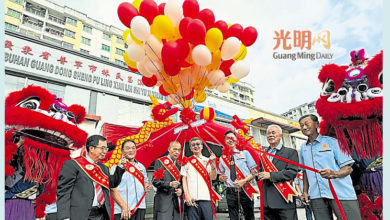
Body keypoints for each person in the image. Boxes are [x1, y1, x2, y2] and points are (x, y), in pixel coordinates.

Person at [299, 114, 362, 220]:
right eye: (301, 126)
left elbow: (349, 168)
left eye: (307, 124)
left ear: (316, 124)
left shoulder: (332, 143)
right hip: (316, 196)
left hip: (340, 193)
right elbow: (305, 172)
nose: (304, 127)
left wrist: (334, 174)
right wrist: (305, 192)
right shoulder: (303, 149)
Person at [56, 135, 126, 220]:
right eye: (102, 148)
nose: (105, 151)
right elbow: (64, 192)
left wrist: (120, 168)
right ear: (91, 148)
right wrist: (64, 217)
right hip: (82, 214)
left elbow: (112, 183)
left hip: (102, 213)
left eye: (106, 149)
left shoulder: (103, 168)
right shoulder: (73, 165)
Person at [254, 124, 299, 220]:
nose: (270, 135)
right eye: (268, 133)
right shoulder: (263, 154)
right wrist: (256, 174)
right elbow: (262, 174)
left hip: (284, 200)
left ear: (280, 136)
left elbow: (292, 172)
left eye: (273, 133)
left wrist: (270, 175)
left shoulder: (290, 152)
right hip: (267, 203)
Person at [218, 131, 258, 220]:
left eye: (232, 138)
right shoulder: (222, 158)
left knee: (249, 215)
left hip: (246, 188)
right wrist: (221, 178)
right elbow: (220, 176)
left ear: (236, 140)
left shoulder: (245, 153)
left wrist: (244, 180)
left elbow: (254, 172)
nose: (230, 140)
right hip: (230, 191)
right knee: (233, 217)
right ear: (225, 141)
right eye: (228, 138)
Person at [111, 139, 153, 220]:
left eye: (133, 148)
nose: (131, 150)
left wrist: (147, 186)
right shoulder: (116, 167)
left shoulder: (141, 167)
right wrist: (123, 205)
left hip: (140, 207)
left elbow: (145, 182)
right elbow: (112, 189)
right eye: (128, 148)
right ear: (122, 151)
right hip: (123, 209)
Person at [181, 137, 220, 220]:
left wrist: (213, 164)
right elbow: (184, 179)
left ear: (202, 146)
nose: (196, 146)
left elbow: (213, 177)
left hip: (206, 198)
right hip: (192, 199)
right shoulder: (186, 161)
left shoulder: (208, 161)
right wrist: (187, 195)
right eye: (193, 145)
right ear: (190, 148)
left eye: (198, 144)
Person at [153, 141, 183, 220]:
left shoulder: (179, 166)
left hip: (176, 202)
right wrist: (169, 184)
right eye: (175, 149)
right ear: (169, 149)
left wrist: (180, 189)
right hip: (163, 201)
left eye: (179, 150)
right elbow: (155, 181)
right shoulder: (160, 162)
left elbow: (182, 183)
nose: (177, 152)